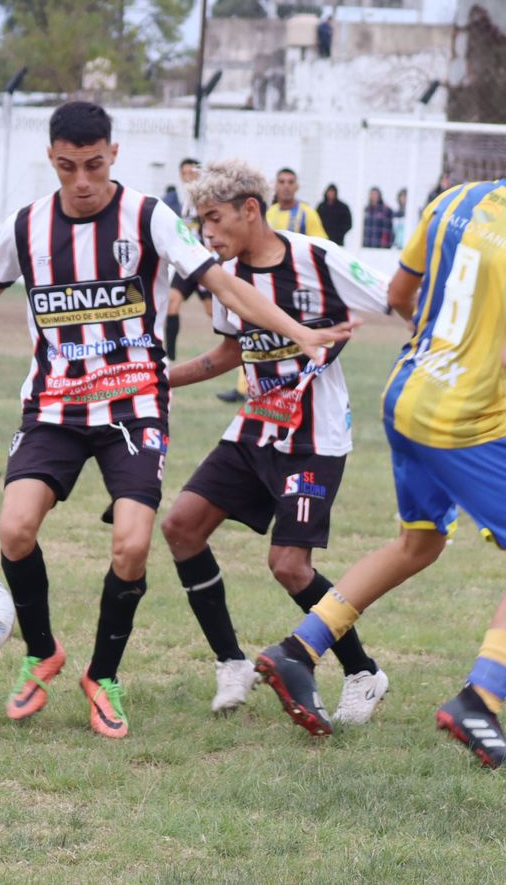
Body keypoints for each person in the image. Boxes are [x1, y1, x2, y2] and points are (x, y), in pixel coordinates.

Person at [0, 101, 354, 741]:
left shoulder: (149, 218)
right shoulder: (27, 227)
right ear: (52, 159)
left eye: (95, 165)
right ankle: (41, 650)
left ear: (114, 155)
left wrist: (299, 331)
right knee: (15, 530)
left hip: (133, 404)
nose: (82, 180)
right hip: (53, 404)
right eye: (69, 166)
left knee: (132, 544)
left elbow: (230, 287)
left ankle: (103, 676)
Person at [253, 95, 506, 769]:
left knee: (418, 543)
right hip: (464, 416)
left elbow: (400, 293)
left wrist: (437, 346)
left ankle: (297, 651)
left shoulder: (455, 200)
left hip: (405, 395)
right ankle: (482, 699)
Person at [159, 158, 395, 721]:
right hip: (253, 428)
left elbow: (396, 301)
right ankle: (230, 662)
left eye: (213, 219)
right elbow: (227, 355)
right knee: (181, 527)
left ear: (250, 210)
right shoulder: (225, 277)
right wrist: (157, 377)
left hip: (315, 438)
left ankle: (363, 673)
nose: (206, 233)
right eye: (199, 222)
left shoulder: (319, 258)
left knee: (290, 566)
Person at [167, 157, 213, 362]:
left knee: (213, 311)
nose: (189, 177)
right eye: (185, 173)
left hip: (204, 263)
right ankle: (170, 356)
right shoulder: (180, 203)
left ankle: (238, 344)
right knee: (172, 303)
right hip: (185, 264)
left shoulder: (206, 201)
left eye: (192, 173)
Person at [267, 168, 326, 239]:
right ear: (275, 186)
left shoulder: (307, 213)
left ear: (297, 186)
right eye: (282, 182)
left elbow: (321, 243)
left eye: (291, 182)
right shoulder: (268, 212)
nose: (286, 186)